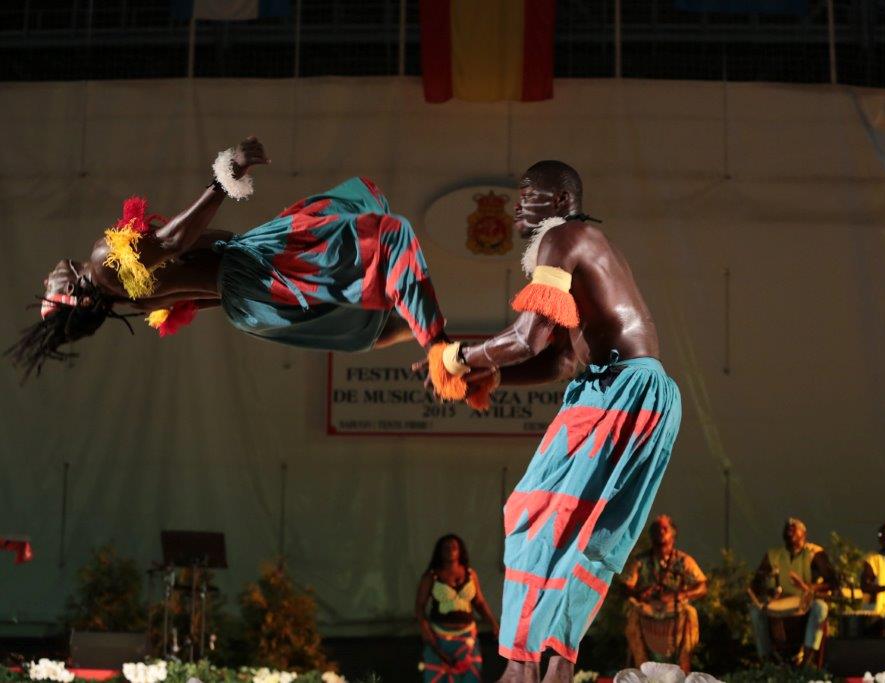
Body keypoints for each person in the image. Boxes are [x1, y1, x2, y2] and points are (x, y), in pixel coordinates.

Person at [422, 161, 682, 683]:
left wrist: (458, 358)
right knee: (584, 535)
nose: (518, 205)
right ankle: (555, 663)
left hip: (619, 390)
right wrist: (491, 379)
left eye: (529, 195)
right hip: (645, 393)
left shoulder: (562, 237)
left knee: (531, 515)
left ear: (562, 201)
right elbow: (562, 360)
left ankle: (522, 666)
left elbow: (526, 339)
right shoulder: (587, 244)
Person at [8, 137, 446, 381]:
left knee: (356, 319)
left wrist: (266, 302)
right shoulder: (105, 264)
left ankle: (438, 343)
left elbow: (198, 295)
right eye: (51, 291)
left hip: (244, 302)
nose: (49, 277)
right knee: (359, 236)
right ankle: (432, 332)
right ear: (78, 299)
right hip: (250, 273)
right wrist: (224, 178)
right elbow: (175, 239)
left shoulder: (128, 301)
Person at [620, 514, 707, 672]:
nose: (659, 532)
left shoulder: (683, 560)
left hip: (674, 611)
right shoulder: (640, 561)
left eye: (664, 529)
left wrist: (681, 595)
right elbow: (626, 586)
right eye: (656, 529)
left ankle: (683, 670)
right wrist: (640, 594)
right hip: (647, 609)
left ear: (672, 534)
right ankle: (642, 670)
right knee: (633, 616)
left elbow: (702, 586)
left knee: (690, 613)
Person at [747, 518, 837, 666]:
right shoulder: (773, 555)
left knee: (821, 608)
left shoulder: (814, 553)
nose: (789, 529)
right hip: (779, 604)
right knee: (755, 611)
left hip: (806, 602)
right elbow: (756, 583)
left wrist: (807, 587)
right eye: (787, 528)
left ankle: (806, 663)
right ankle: (768, 663)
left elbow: (833, 582)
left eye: (793, 527)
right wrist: (769, 591)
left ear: (804, 533)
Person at [415, 534, 500, 683]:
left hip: (467, 637)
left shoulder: (470, 574)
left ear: (460, 550)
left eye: (454, 547)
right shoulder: (431, 576)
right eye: (446, 548)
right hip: (440, 638)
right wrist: (425, 629)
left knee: (470, 676)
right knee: (439, 677)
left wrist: (493, 623)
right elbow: (419, 606)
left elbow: (479, 602)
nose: (450, 550)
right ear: (439, 552)